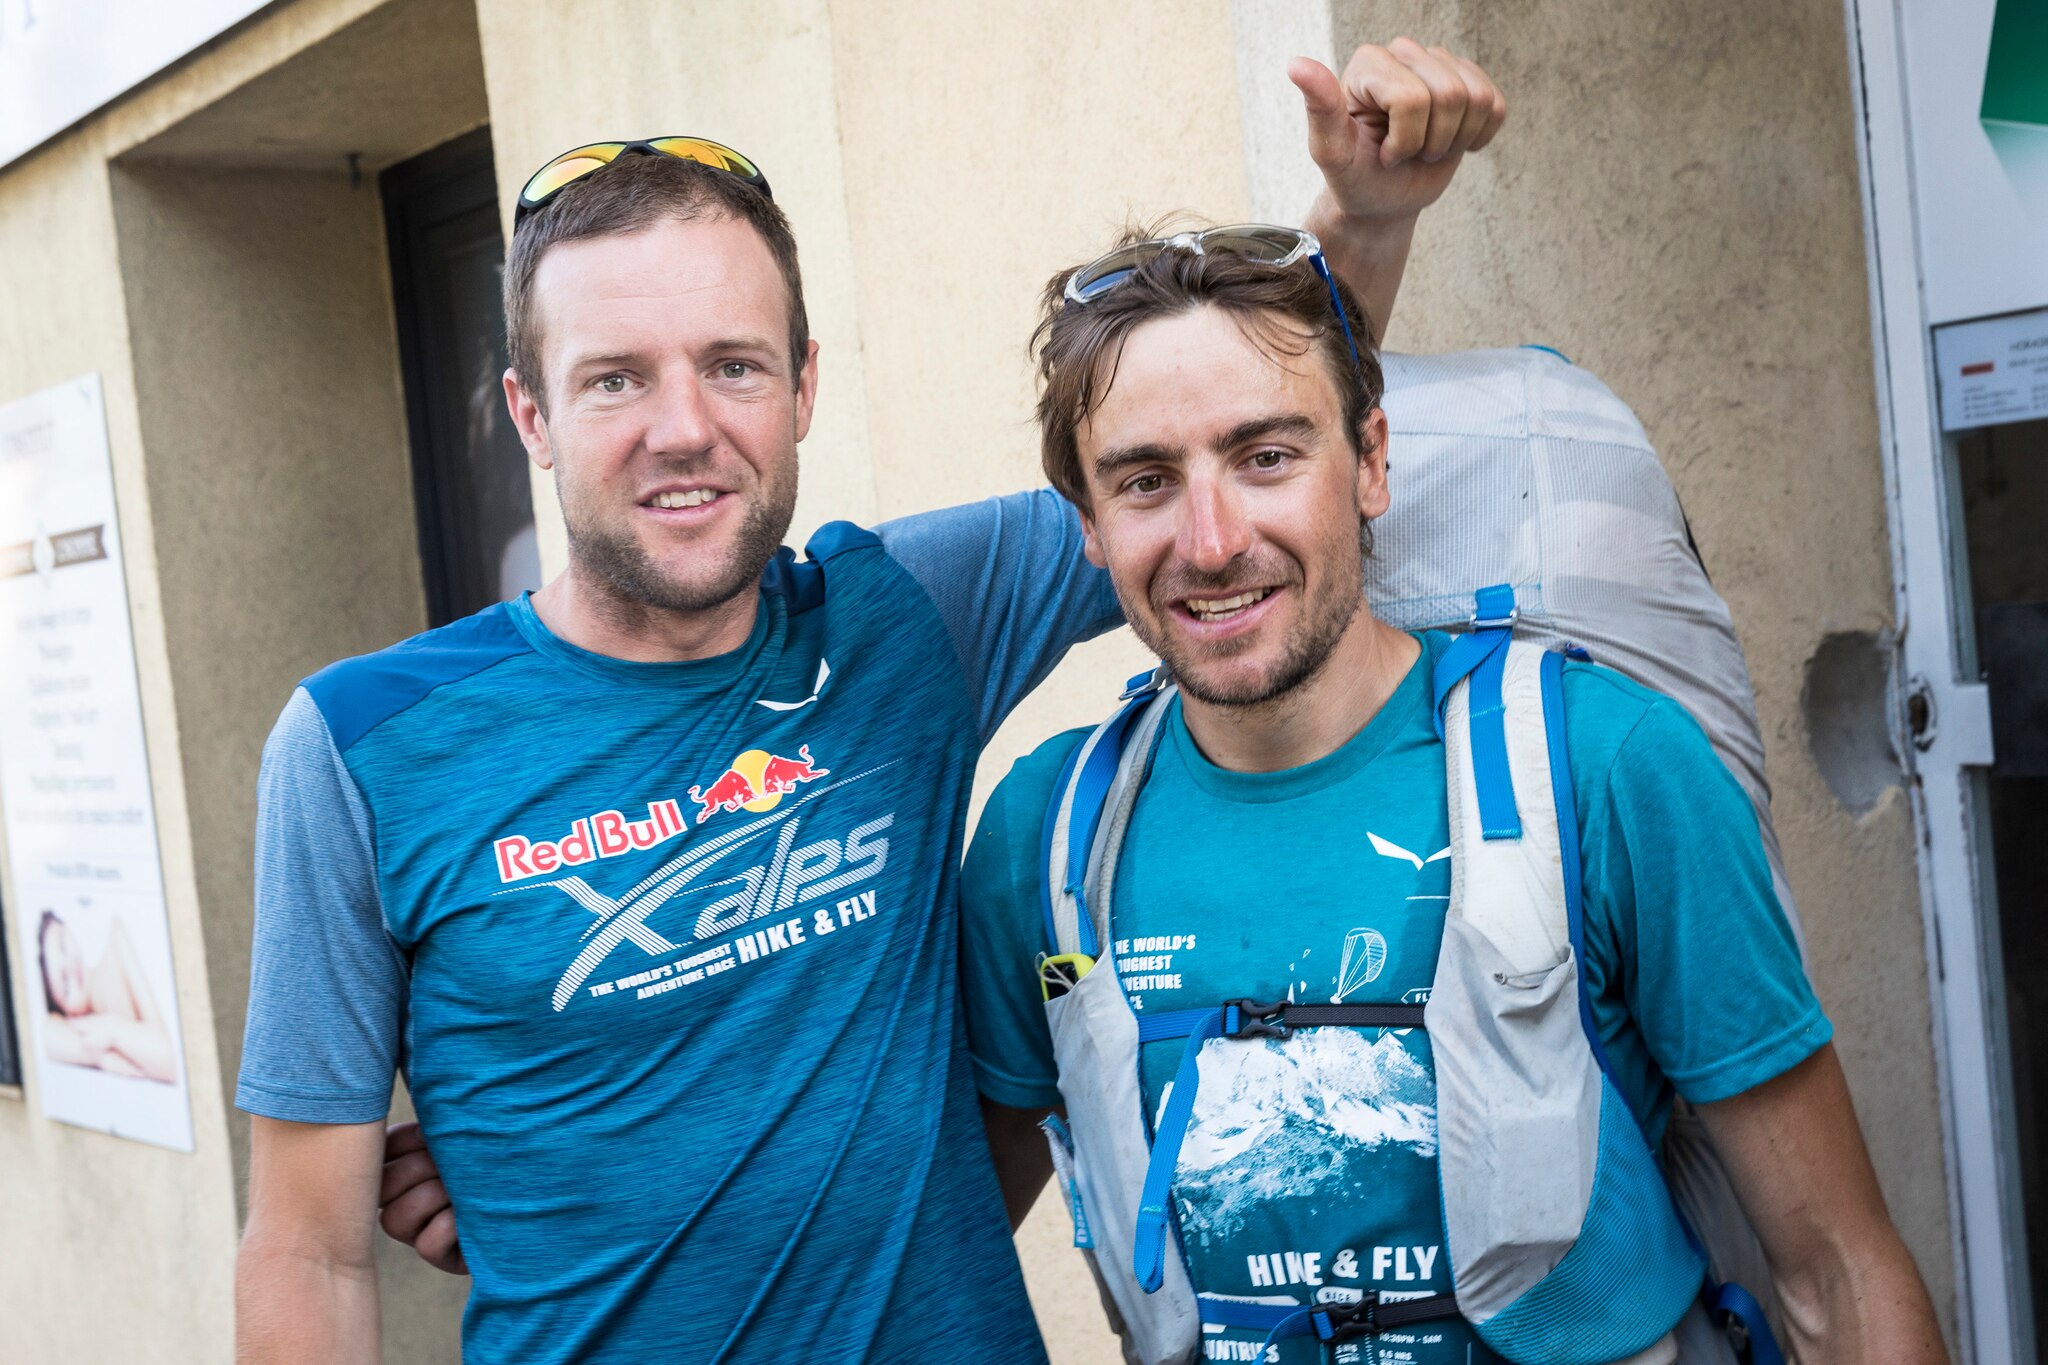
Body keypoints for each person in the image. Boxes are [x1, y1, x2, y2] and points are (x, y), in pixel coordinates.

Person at [234, 41, 1508, 1363]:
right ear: (530, 414)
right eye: (615, 378)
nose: (683, 426)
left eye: (733, 365)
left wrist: (1364, 216)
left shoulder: (901, 622)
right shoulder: (362, 746)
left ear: (802, 389)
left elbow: (1223, 421)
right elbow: (307, 1249)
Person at [953, 230, 1949, 1361]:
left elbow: (1836, 1274)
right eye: (1144, 482)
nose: (1213, 541)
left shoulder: (1604, 766)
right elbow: (927, 1272)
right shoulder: (1045, 842)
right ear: (1086, 523)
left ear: (1370, 461)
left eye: (1266, 456)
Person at [37, 910, 178, 1083]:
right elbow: (46, 1034)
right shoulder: (83, 1029)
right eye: (65, 984)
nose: (72, 965)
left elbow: (174, 1062)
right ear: (66, 1011)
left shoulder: (116, 937)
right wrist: (100, 1056)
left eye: (63, 945)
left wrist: (113, 1029)